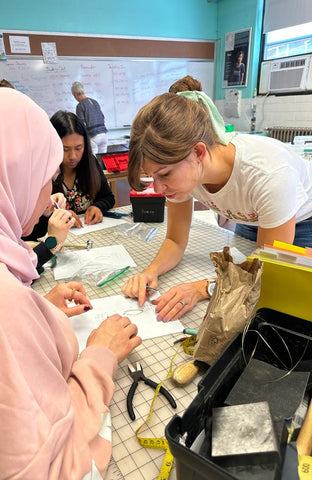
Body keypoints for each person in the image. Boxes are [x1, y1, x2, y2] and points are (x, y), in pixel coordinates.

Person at [0, 87, 141, 478]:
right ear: (8, 175)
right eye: (45, 179)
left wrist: (35, 314)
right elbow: (49, 467)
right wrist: (99, 356)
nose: (49, 198)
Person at [122, 90, 312, 322]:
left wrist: (202, 288)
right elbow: (175, 241)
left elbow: (265, 267)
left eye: (164, 175)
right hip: (251, 218)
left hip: (303, 223)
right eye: (153, 177)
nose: (159, 189)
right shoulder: (184, 173)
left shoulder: (269, 175)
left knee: (282, 301)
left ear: (198, 152)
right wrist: (150, 271)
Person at [51, 110, 115, 226]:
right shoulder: (45, 172)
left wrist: (97, 206)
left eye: (78, 148)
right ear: (52, 145)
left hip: (88, 231)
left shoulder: (90, 163)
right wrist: (59, 215)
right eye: (65, 149)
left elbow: (108, 197)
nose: (73, 156)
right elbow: (34, 217)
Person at [71, 81, 108, 155]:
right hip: (104, 135)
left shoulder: (80, 105)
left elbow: (82, 124)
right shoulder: (95, 102)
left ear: (75, 94)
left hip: (93, 136)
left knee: (93, 161)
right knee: (103, 161)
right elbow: (103, 117)